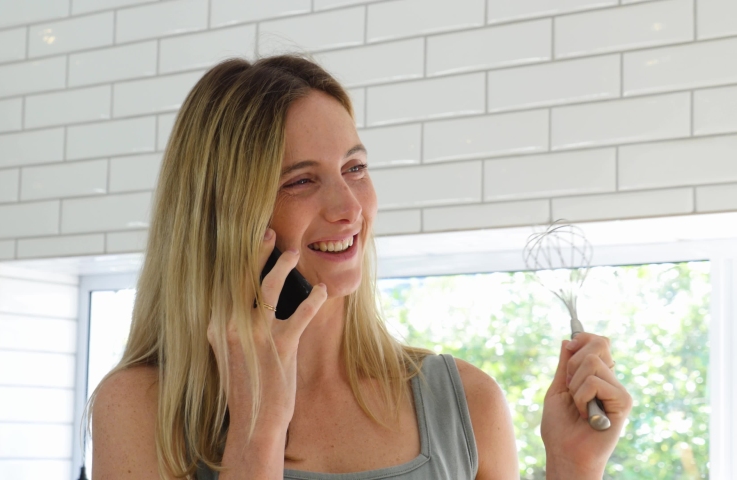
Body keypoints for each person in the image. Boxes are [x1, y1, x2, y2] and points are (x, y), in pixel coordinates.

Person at [89, 54, 633, 480]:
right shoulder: (143, 408)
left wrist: (573, 467)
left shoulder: (465, 401)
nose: (349, 207)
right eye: (301, 180)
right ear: (225, 214)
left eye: (355, 167)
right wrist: (256, 432)